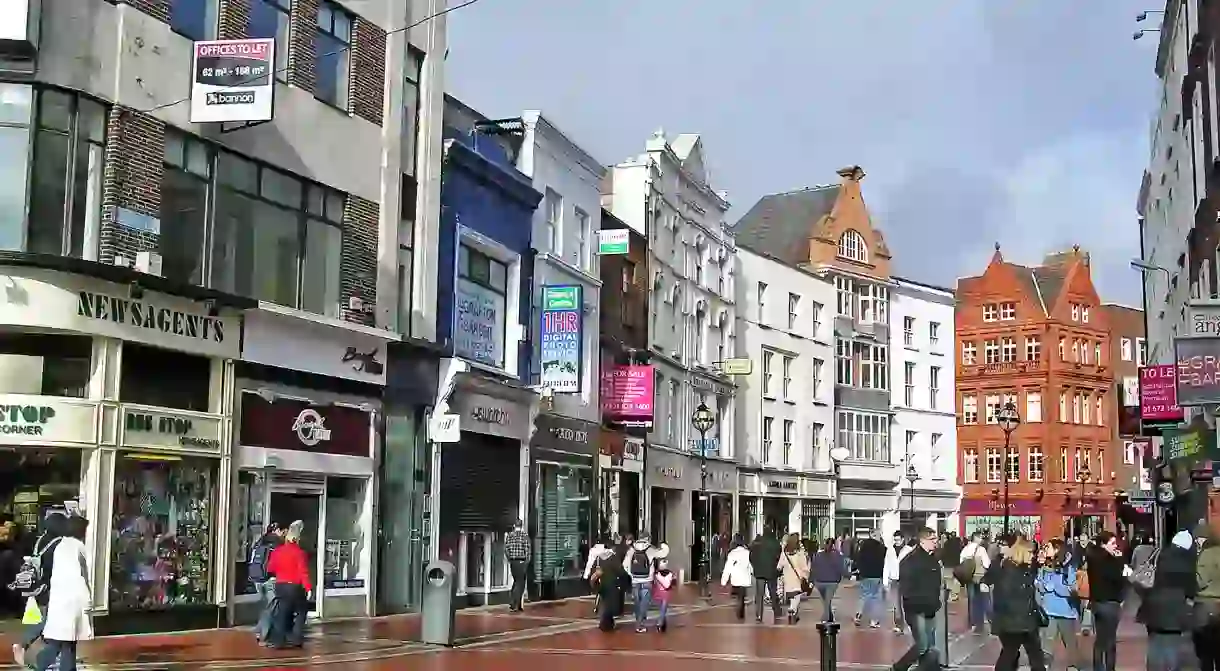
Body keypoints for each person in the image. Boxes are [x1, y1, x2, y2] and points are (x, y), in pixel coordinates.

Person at [34, 513, 90, 671]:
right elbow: (79, 577)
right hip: (70, 602)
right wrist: (87, 599)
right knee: (63, 642)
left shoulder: (60, 545)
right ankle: (40, 663)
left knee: (67, 643)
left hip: (59, 599)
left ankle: (54, 665)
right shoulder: (77, 547)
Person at [11, 511, 67, 667]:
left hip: (36, 586)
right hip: (50, 587)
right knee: (47, 620)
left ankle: (34, 651)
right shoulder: (58, 543)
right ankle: (25, 647)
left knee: (43, 618)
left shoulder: (40, 540)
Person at [1138, 530, 1196, 671]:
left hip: (1152, 606)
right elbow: (1191, 590)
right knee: (1172, 644)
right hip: (1175, 609)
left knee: (1154, 642)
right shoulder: (1187, 562)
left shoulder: (1158, 555)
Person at [985, 538, 1045, 671]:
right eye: (1030, 552)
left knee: (1026, 655)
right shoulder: (1009, 571)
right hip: (1016, 621)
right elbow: (1006, 596)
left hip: (1022, 620)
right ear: (1022, 552)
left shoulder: (1021, 568)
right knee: (1013, 654)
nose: (1032, 556)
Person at [892, 528, 942, 671]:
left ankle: (930, 668)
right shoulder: (911, 560)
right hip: (916, 609)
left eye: (936, 539)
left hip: (930, 608)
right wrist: (917, 601)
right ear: (922, 541)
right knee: (922, 644)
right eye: (932, 539)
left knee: (929, 645)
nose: (935, 542)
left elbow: (935, 582)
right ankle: (899, 667)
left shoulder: (933, 558)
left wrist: (935, 601)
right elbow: (906, 587)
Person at [1036, 539, 1083, 671]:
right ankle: (1044, 666)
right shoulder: (1045, 566)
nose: (1045, 550)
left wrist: (1055, 587)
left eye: (1048, 548)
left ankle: (1073, 666)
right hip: (1048, 610)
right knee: (1047, 642)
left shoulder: (1069, 567)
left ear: (1057, 549)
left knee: (1070, 642)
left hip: (1065, 611)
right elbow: (1038, 583)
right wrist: (1043, 586)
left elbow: (1071, 589)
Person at [265, 520, 312, 649]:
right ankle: (296, 638)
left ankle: (279, 640)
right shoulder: (300, 553)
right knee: (301, 611)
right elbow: (303, 572)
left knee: (283, 612)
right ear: (297, 539)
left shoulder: (277, 551)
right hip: (294, 586)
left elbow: (270, 568)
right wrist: (308, 588)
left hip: (280, 586)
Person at [1085, 530, 1127, 671]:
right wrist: (1120, 561)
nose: (1116, 546)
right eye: (1113, 543)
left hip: (1097, 603)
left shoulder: (1092, 557)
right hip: (1110, 603)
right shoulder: (1109, 560)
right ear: (1103, 544)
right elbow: (1118, 579)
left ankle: (1097, 668)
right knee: (1110, 642)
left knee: (1100, 641)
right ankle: (1109, 668)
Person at [248, 521, 284, 644]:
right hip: (270, 579)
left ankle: (261, 630)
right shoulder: (278, 543)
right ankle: (263, 635)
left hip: (257, 579)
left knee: (267, 606)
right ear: (277, 530)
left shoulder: (260, 541)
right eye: (282, 531)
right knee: (272, 607)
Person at [958, 531, 991, 633]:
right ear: (976, 538)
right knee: (983, 599)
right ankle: (983, 619)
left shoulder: (966, 549)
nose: (981, 539)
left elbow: (961, 562)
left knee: (971, 600)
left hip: (969, 578)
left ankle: (972, 622)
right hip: (980, 578)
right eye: (980, 537)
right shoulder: (981, 550)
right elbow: (987, 564)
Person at [853, 530, 887, 628]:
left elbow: (858, 558)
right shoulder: (881, 547)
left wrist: (858, 570)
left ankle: (858, 615)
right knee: (875, 598)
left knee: (863, 596)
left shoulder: (863, 545)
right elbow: (885, 558)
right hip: (876, 574)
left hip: (865, 574)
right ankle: (874, 620)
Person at [810, 537, 848, 623]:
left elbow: (813, 568)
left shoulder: (818, 555)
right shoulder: (838, 556)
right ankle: (826, 618)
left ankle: (829, 616)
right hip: (832, 581)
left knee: (826, 601)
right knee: (827, 601)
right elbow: (841, 569)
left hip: (819, 581)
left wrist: (811, 580)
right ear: (834, 545)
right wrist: (847, 575)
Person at [749, 529, 783, 623]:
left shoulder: (757, 543)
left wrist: (755, 565)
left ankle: (759, 614)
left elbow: (751, 556)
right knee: (773, 591)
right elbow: (779, 556)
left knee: (759, 594)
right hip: (772, 570)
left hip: (760, 571)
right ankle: (776, 610)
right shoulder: (775, 543)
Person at [624, 535, 655, 633]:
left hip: (635, 580)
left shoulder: (631, 550)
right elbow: (663, 553)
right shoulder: (651, 549)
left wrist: (631, 574)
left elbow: (625, 565)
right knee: (644, 603)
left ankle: (639, 620)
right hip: (647, 580)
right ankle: (640, 624)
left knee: (637, 602)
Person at [777, 533, 809, 625]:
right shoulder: (800, 553)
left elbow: (779, 565)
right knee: (797, 595)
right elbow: (804, 566)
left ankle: (793, 611)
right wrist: (806, 575)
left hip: (787, 577)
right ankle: (792, 610)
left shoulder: (784, 553)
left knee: (791, 595)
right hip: (798, 577)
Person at [886, 534, 915, 634]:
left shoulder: (908, 550)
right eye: (895, 540)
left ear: (903, 539)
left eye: (898, 540)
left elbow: (912, 566)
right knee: (896, 605)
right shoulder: (890, 550)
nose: (896, 542)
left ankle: (911, 624)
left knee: (907, 604)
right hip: (894, 580)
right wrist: (886, 581)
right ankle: (898, 625)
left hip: (906, 580)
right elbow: (887, 565)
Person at [590, 547, 625, 631]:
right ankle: (606, 623)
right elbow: (620, 571)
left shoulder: (598, 558)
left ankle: (606, 622)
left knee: (604, 603)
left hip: (601, 584)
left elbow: (593, 570)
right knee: (610, 604)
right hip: (611, 584)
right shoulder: (614, 558)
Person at [721, 534, 753, 620]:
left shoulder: (732, 553)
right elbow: (750, 565)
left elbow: (728, 568)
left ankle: (740, 612)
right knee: (742, 595)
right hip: (745, 576)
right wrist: (752, 572)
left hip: (735, 577)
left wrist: (724, 580)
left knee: (739, 595)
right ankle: (741, 612)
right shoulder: (747, 552)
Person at [504, 519, 530, 612]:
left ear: (514, 526)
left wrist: (509, 559)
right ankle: (514, 603)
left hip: (513, 562)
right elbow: (527, 550)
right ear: (522, 526)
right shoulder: (524, 536)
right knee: (520, 584)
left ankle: (516, 604)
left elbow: (506, 549)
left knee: (516, 582)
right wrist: (526, 561)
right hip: (521, 561)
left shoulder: (510, 536)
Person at [583, 534, 612, 615]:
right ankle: (604, 606)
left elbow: (590, 563)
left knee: (599, 591)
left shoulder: (593, 551)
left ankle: (597, 607)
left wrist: (586, 574)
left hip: (596, 573)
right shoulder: (609, 551)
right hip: (606, 573)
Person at [652, 557, 675, 632]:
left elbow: (667, 585)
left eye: (664, 563)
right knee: (662, 609)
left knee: (663, 609)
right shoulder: (657, 573)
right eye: (662, 563)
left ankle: (660, 624)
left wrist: (658, 577)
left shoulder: (662, 574)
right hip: (660, 593)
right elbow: (667, 584)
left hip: (664, 593)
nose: (663, 565)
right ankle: (662, 623)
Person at [940, 532, 963, 601]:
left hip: (947, 565)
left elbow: (943, 554)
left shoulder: (946, 545)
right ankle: (953, 595)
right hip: (956, 565)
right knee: (955, 581)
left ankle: (947, 596)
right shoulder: (958, 545)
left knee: (948, 582)